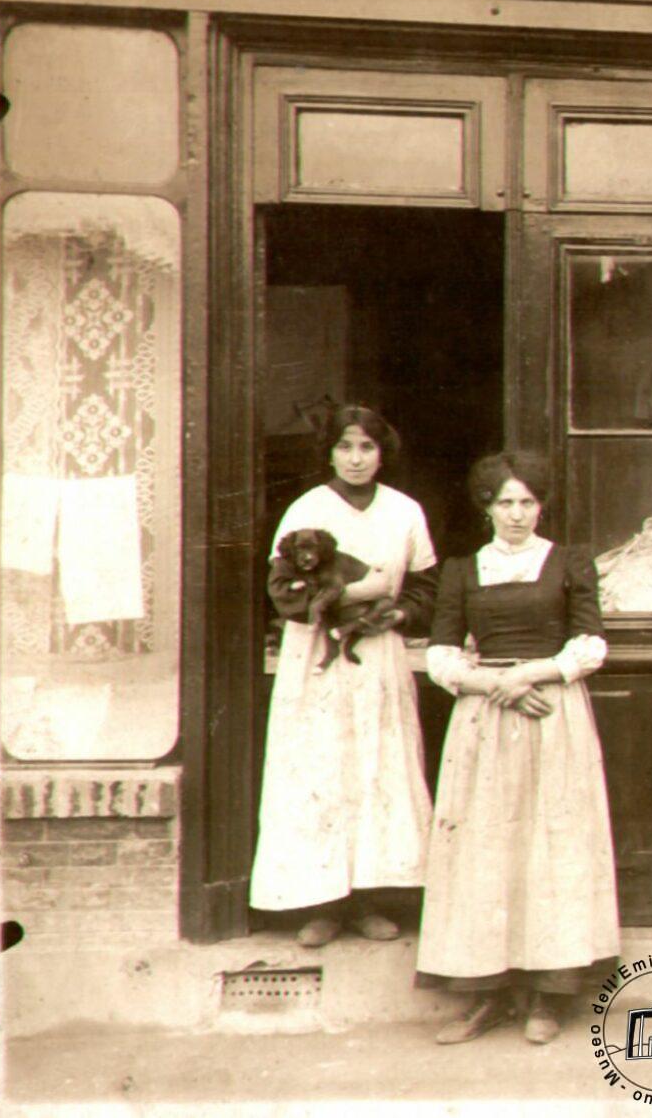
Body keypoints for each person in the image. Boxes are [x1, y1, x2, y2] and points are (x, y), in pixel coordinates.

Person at [416, 451, 619, 1045]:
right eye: (505, 502)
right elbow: (441, 656)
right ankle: (487, 996)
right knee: (486, 850)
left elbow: (590, 645)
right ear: (486, 507)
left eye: (527, 502)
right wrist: (496, 685)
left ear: (541, 505)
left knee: (549, 849)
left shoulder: (569, 563)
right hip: (485, 721)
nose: (517, 514)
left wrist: (529, 674)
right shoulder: (461, 570)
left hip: (552, 713)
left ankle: (546, 997)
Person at [250, 404, 438, 947]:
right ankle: (322, 903)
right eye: (345, 447)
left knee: (374, 769)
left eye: (367, 448)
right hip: (315, 660)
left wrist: (398, 612)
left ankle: (369, 899)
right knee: (319, 771)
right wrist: (357, 593)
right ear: (329, 452)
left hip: (377, 656)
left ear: (383, 453)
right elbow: (282, 590)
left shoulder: (405, 511)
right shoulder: (306, 509)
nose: (356, 459)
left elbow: (424, 589)